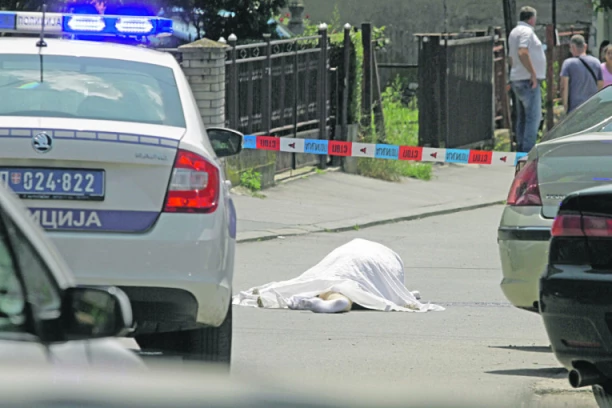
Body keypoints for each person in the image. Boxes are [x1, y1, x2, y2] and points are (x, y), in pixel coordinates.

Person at [508, 6, 546, 153]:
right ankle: (528, 152)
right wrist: (533, 74)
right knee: (534, 117)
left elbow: (511, 57)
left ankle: (520, 150)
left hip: (518, 78)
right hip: (527, 80)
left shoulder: (514, 32)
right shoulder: (526, 31)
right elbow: (522, 52)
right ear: (532, 18)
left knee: (523, 118)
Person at [560, 35, 604, 115]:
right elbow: (600, 84)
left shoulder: (568, 63)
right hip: (592, 107)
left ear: (572, 47)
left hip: (575, 109)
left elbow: (564, 86)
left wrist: (565, 107)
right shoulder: (596, 62)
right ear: (585, 46)